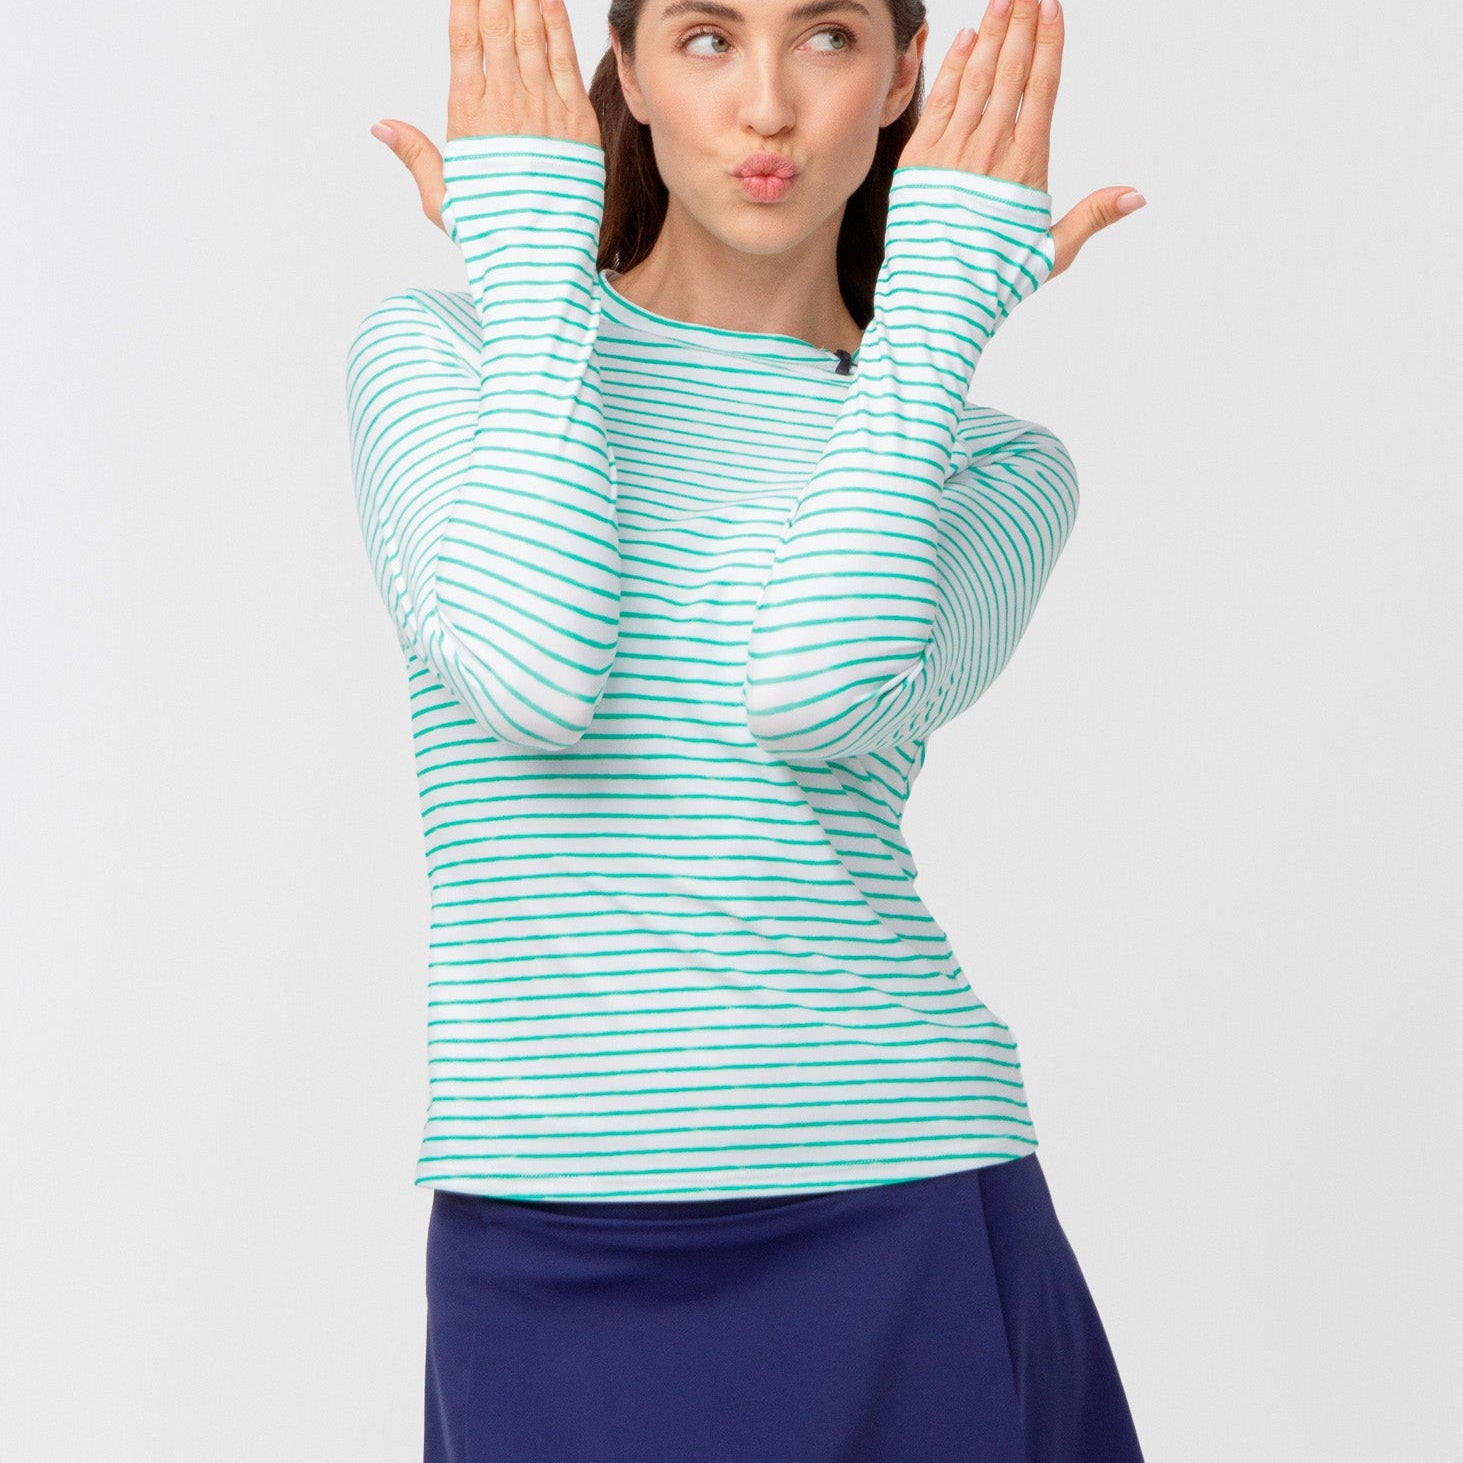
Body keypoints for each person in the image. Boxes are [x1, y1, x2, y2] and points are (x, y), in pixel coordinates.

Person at [347, 0, 1148, 1457]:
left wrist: (932, 324)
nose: (769, 104)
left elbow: (815, 691)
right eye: (709, 37)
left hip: (902, 1194)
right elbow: (528, 677)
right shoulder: (452, 355)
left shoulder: (993, 463)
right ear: (631, 77)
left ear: (905, 76)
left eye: (828, 37)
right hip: (551, 1221)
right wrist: (535, 276)